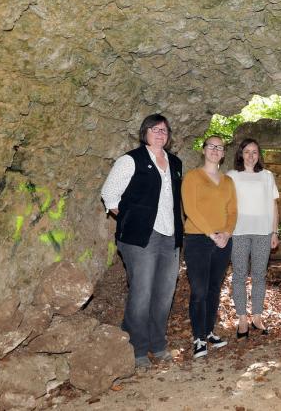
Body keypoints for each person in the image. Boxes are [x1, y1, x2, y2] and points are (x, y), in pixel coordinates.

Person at [100, 113, 183, 371]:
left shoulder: (176, 162)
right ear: (144, 132)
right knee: (142, 292)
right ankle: (137, 348)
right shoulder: (130, 160)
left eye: (164, 130)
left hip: (170, 237)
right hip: (140, 239)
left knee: (164, 293)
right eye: (154, 129)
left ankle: (157, 343)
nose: (160, 133)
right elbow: (109, 194)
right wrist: (131, 219)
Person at [182, 135, 237, 359]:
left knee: (214, 288)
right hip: (198, 238)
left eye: (220, 147)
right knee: (199, 290)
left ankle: (209, 331)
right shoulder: (192, 177)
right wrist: (211, 233)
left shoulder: (228, 182)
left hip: (223, 240)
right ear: (203, 150)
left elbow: (233, 212)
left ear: (223, 154)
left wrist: (226, 233)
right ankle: (198, 338)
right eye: (211, 146)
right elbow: (190, 209)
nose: (215, 150)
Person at [226, 138, 280, 339]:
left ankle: (257, 317)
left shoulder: (267, 176)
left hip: (263, 232)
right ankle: (241, 319)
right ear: (240, 154)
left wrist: (275, 232)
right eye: (247, 151)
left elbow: (274, 206)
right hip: (238, 231)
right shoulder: (231, 176)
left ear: (259, 155)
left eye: (254, 152)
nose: (250, 155)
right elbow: (226, 205)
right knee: (239, 275)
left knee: (259, 275)